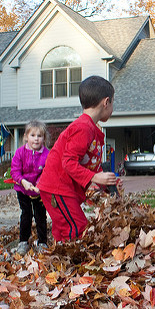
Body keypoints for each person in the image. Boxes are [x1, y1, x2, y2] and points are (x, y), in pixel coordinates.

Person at [37, 75, 118, 242]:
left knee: (63, 231)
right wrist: (96, 177)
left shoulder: (90, 129)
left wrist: (104, 182)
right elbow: (68, 162)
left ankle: (58, 262)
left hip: (62, 188)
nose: (112, 107)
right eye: (113, 103)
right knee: (77, 228)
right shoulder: (83, 128)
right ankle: (77, 265)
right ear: (106, 102)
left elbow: (88, 164)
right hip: (56, 187)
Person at [11, 120, 50, 255]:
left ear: (44, 138)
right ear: (26, 137)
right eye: (33, 135)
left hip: (39, 191)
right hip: (23, 189)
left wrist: (40, 184)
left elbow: (47, 171)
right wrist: (23, 182)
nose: (36, 139)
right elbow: (15, 171)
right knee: (26, 214)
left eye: (39, 136)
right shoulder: (20, 153)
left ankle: (42, 242)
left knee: (40, 216)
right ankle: (23, 241)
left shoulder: (47, 154)